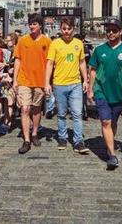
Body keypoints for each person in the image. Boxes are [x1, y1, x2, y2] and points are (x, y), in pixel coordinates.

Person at [87, 18, 122, 170]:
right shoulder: (99, 50)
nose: (110, 33)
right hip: (101, 90)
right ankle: (111, 155)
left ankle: (110, 141)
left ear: (120, 32)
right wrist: (90, 89)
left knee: (113, 122)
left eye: (113, 30)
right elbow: (93, 70)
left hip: (118, 93)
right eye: (108, 30)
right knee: (105, 122)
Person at [45, 17, 89, 154]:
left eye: (69, 29)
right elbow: (50, 64)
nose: (67, 32)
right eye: (64, 29)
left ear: (73, 29)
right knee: (62, 114)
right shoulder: (55, 44)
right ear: (60, 29)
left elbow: (82, 63)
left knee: (77, 114)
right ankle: (62, 137)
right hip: (59, 84)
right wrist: (47, 82)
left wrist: (85, 80)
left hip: (75, 83)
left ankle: (78, 142)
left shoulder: (78, 44)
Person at [13, 13, 51, 154]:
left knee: (36, 109)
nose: (32, 26)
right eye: (30, 24)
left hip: (40, 81)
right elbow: (18, 59)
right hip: (24, 80)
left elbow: (49, 63)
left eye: (34, 24)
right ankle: (26, 139)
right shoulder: (22, 41)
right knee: (25, 109)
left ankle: (35, 132)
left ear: (40, 25)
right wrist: (15, 79)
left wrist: (48, 82)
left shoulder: (47, 42)